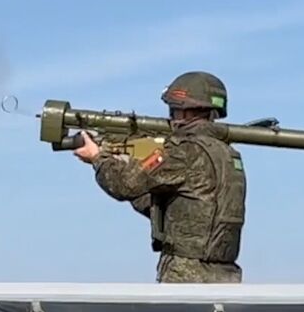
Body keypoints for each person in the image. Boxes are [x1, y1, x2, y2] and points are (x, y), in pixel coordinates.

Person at [73, 71, 246, 283]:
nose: (171, 116)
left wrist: (98, 158)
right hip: (224, 276)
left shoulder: (183, 152)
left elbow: (123, 185)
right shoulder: (228, 155)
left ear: (186, 111)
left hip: (186, 276)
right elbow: (183, 213)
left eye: (173, 110)